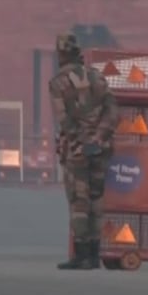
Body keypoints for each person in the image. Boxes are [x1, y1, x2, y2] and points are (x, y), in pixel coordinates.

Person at [49, 33, 118, 270]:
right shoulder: (98, 77)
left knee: (79, 201)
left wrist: (79, 140)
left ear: (61, 55)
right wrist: (98, 137)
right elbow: (112, 112)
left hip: (77, 151)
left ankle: (81, 254)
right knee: (97, 199)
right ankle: (95, 254)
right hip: (101, 148)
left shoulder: (58, 82)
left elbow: (63, 120)